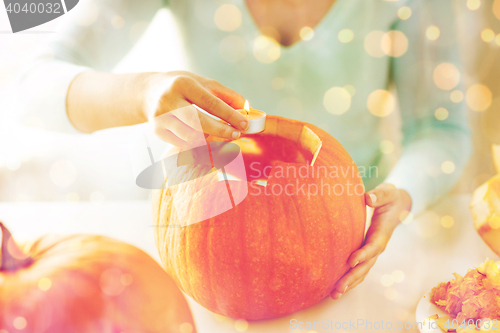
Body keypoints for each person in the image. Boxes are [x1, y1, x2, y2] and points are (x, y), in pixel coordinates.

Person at [16, 0, 471, 300]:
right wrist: (143, 91)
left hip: (355, 243)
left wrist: (403, 192)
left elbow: (441, 127)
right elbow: (32, 88)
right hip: (202, 232)